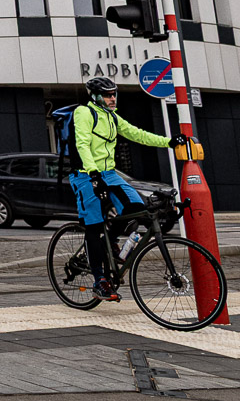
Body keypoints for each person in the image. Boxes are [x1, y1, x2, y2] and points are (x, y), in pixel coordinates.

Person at [72, 76, 188, 302]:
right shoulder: (84, 113)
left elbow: (137, 134)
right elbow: (82, 143)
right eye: (108, 95)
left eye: (114, 94)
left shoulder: (112, 117)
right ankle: (99, 281)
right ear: (95, 97)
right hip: (86, 174)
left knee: (136, 209)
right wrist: (93, 174)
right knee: (93, 226)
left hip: (109, 174)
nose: (113, 98)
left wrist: (169, 142)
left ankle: (110, 241)